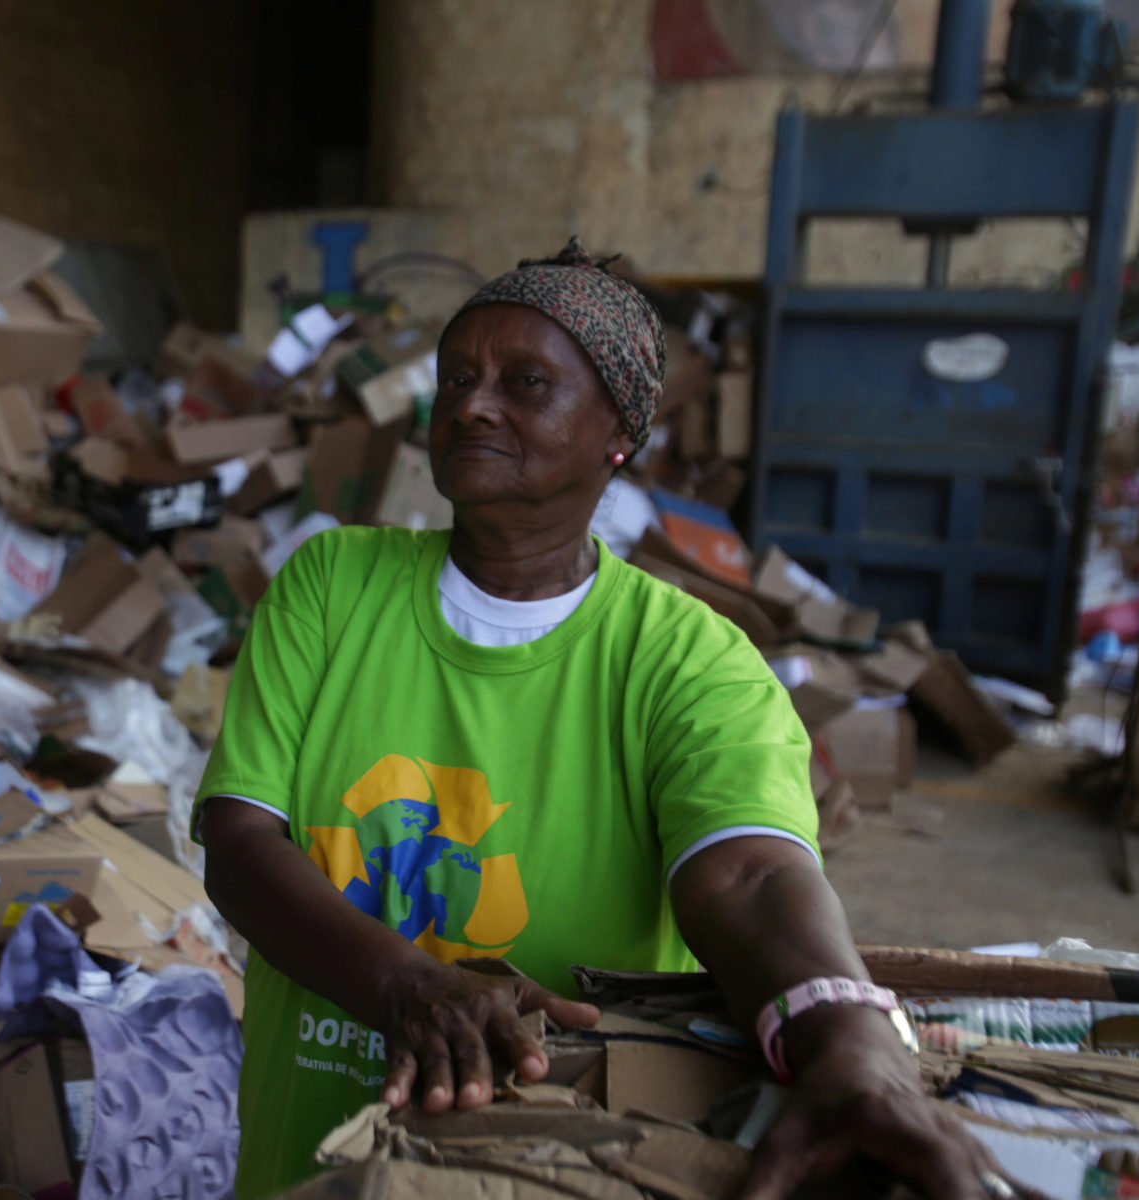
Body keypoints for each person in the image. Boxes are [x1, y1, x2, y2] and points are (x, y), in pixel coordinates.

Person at [195, 241, 1022, 1200]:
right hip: (308, 1154)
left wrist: (852, 1041)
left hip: (559, 1166)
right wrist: (405, 985)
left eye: (526, 382)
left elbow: (752, 874)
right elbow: (240, 838)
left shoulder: (689, 657)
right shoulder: (332, 587)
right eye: (456, 377)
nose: (471, 403)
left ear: (618, 432)